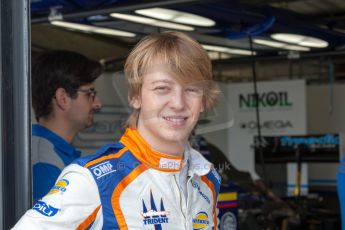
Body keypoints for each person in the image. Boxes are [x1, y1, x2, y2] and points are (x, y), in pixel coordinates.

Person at [13, 31, 220, 229]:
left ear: (203, 101)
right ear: (136, 97)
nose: (177, 103)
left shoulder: (207, 177)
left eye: (192, 89)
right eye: (162, 88)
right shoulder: (93, 180)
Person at [31, 50, 103, 202]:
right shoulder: (44, 164)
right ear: (63, 98)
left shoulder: (51, 153)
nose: (98, 103)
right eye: (90, 93)